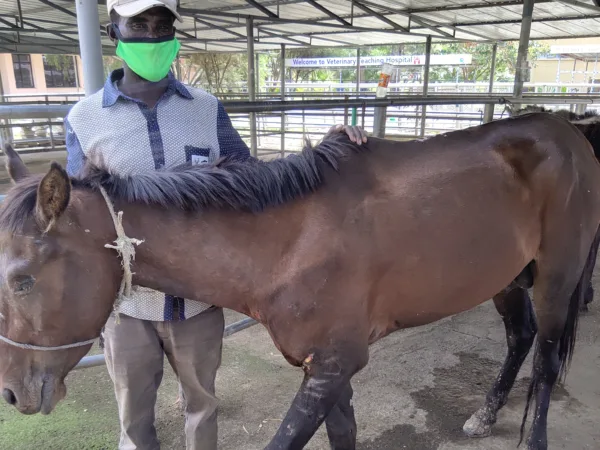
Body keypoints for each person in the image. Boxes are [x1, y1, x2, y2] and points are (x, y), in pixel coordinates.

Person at [64, 1, 367, 449]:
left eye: (163, 26)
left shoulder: (205, 109)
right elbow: (79, 212)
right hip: (129, 306)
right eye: (139, 25)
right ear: (114, 32)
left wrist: (325, 152)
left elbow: (251, 181)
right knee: (133, 418)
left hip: (199, 302)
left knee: (202, 407)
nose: (152, 36)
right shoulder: (84, 120)